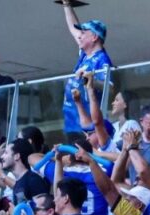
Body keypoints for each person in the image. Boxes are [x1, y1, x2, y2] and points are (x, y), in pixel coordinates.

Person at [61, 3, 112, 141]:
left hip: (87, 126)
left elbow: (110, 88)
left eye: (83, 33)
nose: (79, 36)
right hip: (72, 122)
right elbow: (73, 29)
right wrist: (66, 5)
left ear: (94, 37)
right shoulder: (84, 54)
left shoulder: (102, 59)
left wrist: (90, 80)